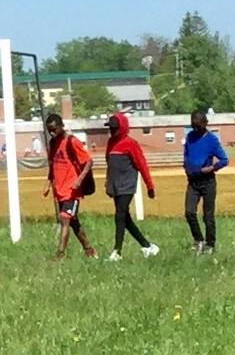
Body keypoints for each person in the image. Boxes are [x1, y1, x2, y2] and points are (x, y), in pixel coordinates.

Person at [104, 113, 159, 262]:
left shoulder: (131, 144)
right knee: (125, 219)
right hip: (115, 185)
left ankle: (117, 251)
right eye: (110, 128)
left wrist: (150, 185)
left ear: (122, 128)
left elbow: (142, 165)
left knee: (119, 216)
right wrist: (108, 183)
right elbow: (109, 165)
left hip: (127, 185)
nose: (112, 131)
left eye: (115, 129)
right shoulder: (110, 143)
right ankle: (148, 247)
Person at [42, 112, 98, 260]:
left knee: (64, 219)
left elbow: (88, 161)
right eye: (49, 131)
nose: (52, 133)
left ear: (61, 126)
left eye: (54, 129)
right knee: (73, 222)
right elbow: (52, 166)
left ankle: (59, 254)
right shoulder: (53, 144)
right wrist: (48, 184)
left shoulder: (71, 141)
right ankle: (89, 250)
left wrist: (79, 179)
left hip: (72, 190)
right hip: (59, 190)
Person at [183, 109, 229, 253]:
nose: (196, 129)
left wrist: (211, 168)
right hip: (192, 181)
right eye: (193, 126)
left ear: (205, 124)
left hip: (207, 181)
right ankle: (198, 240)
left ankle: (210, 244)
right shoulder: (190, 137)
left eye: (198, 126)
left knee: (207, 216)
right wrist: (185, 165)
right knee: (189, 212)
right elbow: (186, 154)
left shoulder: (212, 140)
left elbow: (224, 160)